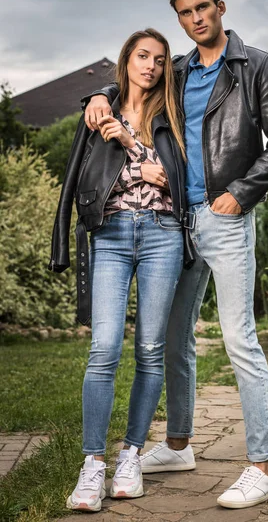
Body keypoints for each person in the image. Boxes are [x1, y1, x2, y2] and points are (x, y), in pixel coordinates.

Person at [83, 0, 268, 510]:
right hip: (174, 221)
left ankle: (263, 464)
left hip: (224, 217)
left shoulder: (255, 65)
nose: (195, 18)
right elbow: (135, 82)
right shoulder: (176, 71)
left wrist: (240, 194)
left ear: (220, 8)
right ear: (179, 19)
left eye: (203, 8)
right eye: (185, 13)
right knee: (173, 340)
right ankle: (178, 443)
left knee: (238, 339)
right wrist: (99, 93)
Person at [49, 28, 190, 512]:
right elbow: (80, 177)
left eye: (159, 59)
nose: (150, 65)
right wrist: (100, 101)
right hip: (108, 235)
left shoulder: (172, 115)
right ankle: (92, 465)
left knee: (150, 349)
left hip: (161, 235)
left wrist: (133, 144)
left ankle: (129, 455)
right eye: (142, 55)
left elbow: (181, 180)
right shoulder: (99, 111)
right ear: (127, 59)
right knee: (103, 348)